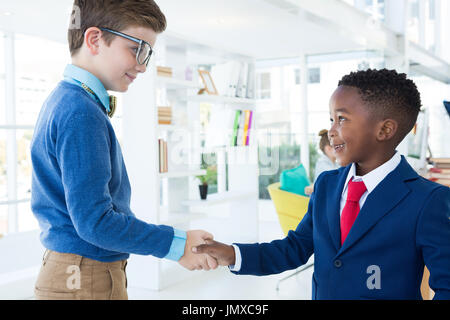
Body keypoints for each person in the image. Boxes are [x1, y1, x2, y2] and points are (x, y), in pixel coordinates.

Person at [193, 69, 450, 300]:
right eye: (331, 120)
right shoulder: (327, 184)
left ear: (384, 130)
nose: (331, 130)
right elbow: (295, 248)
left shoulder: (428, 200)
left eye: (342, 119)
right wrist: (233, 254)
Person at [31, 0, 216, 300]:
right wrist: (177, 243)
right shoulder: (81, 112)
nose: (143, 65)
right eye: (136, 49)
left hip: (77, 272)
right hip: (83, 276)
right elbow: (96, 223)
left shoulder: (68, 100)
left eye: (148, 53)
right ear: (94, 39)